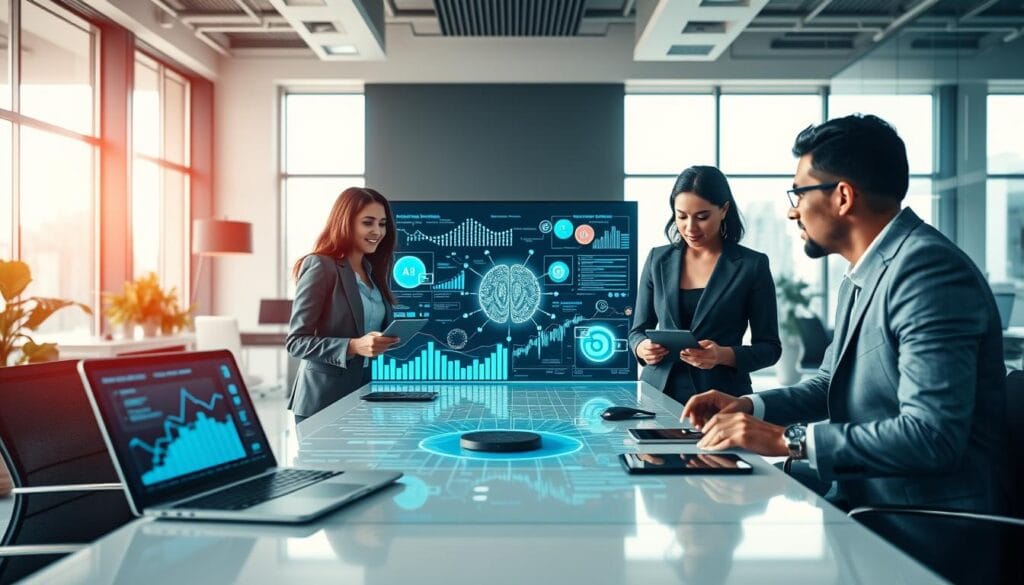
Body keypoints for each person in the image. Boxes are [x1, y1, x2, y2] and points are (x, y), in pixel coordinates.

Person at [682, 114, 1008, 513]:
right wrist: (749, 407)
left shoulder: (928, 273)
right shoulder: (862, 274)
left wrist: (786, 440)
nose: (793, 212)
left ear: (842, 197)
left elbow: (930, 437)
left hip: (923, 524)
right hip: (865, 500)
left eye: (799, 194)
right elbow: (829, 385)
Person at [628, 165, 782, 405]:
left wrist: (722, 355)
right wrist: (641, 347)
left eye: (702, 217)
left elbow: (770, 349)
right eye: (681, 216)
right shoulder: (657, 260)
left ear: (724, 210)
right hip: (656, 396)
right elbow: (636, 331)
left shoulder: (752, 265)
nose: (690, 228)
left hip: (722, 398)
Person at [286, 187, 400, 424]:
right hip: (322, 401)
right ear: (346, 223)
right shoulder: (321, 266)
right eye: (368, 223)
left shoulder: (373, 273)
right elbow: (296, 342)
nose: (377, 231)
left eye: (382, 224)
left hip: (363, 396)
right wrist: (353, 346)